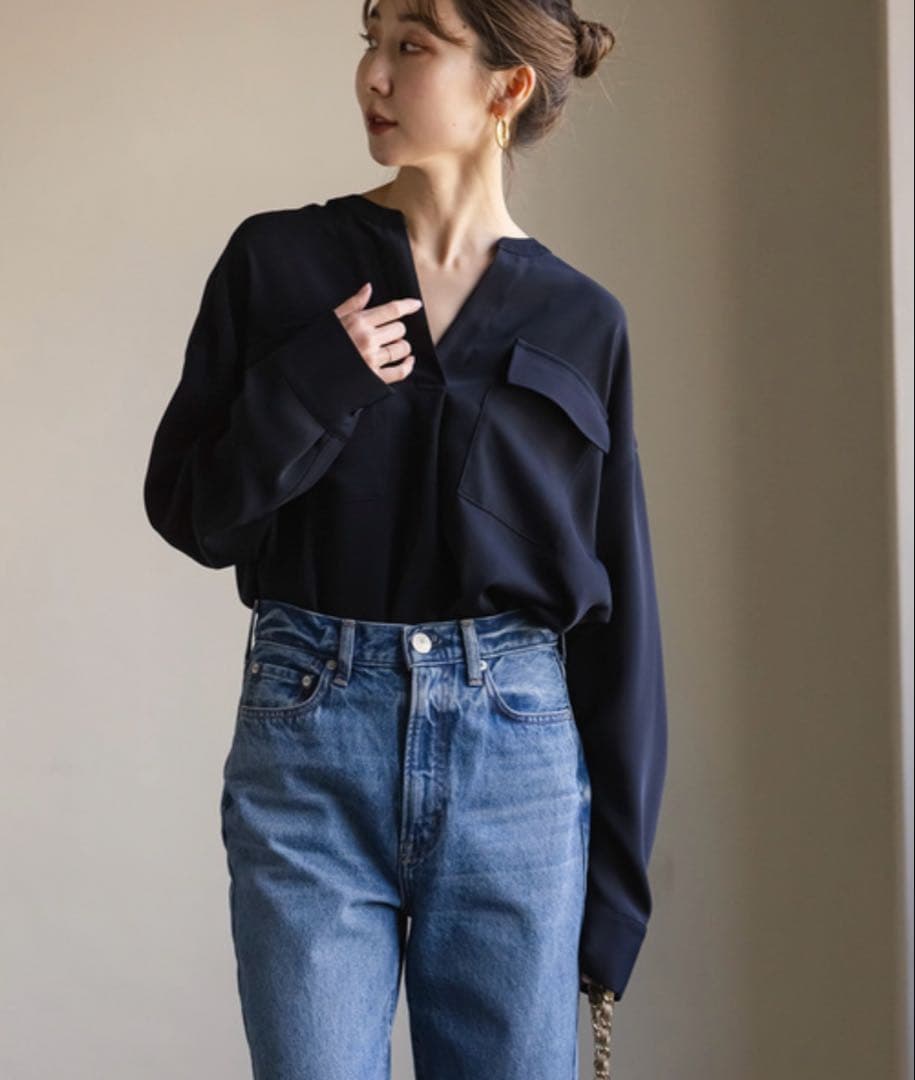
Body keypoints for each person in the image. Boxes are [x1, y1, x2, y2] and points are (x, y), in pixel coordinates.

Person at [143, 0, 667, 1076]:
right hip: (310, 746)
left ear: (506, 87)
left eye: (412, 46)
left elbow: (622, 621)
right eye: (370, 40)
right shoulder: (279, 262)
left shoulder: (583, 320)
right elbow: (194, 513)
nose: (373, 75)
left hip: (517, 762)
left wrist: (617, 897)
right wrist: (312, 384)